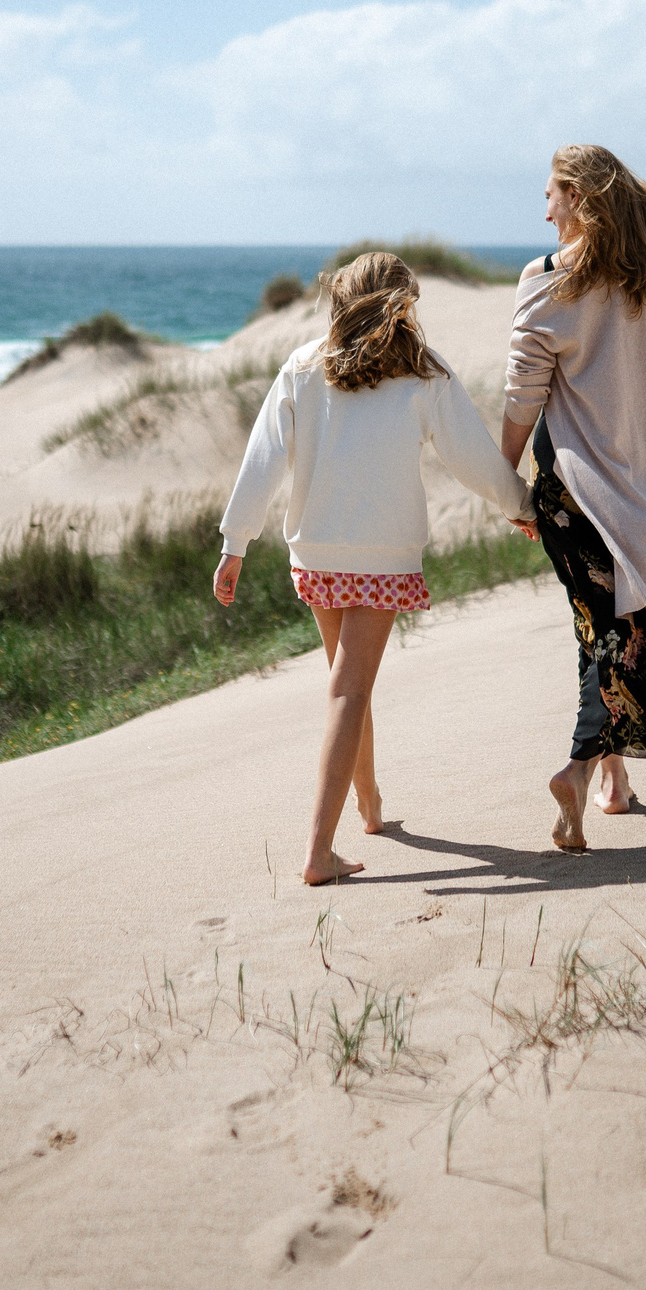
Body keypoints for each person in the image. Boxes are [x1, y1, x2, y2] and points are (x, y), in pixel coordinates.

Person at [216, 251, 531, 885]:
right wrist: (520, 504)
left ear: (339, 300)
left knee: (345, 684)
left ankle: (370, 803)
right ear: (404, 306)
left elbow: (263, 458)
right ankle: (317, 853)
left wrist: (235, 543)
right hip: (382, 558)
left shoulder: (305, 367)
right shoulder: (423, 374)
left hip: (318, 554)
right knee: (349, 688)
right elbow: (471, 455)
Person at [501, 143, 646, 854]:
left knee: (599, 628)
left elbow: (520, 401)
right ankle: (597, 776)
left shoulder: (544, 283)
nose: (544, 210)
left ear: (580, 196)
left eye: (551, 194)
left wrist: (506, 485)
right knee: (620, 631)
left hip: (571, 494)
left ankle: (595, 773)